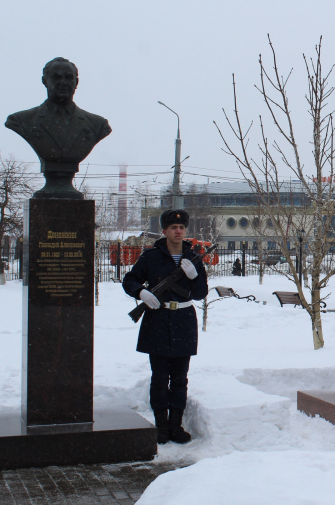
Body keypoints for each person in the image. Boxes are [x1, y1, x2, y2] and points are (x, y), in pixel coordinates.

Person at [123, 209, 208, 445]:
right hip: (157, 320)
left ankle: (176, 426)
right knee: (159, 378)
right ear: (165, 231)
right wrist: (141, 292)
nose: (178, 231)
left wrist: (193, 277)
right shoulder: (151, 257)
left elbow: (201, 293)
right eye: (173, 228)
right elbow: (129, 280)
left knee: (180, 378)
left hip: (183, 321)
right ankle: (161, 426)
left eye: (181, 228)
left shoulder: (193, 258)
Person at [4, 57, 112, 199]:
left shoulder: (97, 124)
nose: (63, 82)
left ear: (76, 83)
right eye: (56, 77)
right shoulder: (21, 120)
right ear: (45, 81)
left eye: (68, 77)